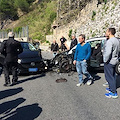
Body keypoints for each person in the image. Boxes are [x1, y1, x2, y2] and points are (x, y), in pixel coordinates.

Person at [103, 28, 120, 98]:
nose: (106, 32)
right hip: (115, 60)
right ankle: (111, 87)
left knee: (109, 77)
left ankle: (113, 92)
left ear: (109, 32)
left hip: (109, 62)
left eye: (106, 31)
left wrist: (105, 60)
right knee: (113, 76)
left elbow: (108, 53)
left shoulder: (110, 41)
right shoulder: (117, 40)